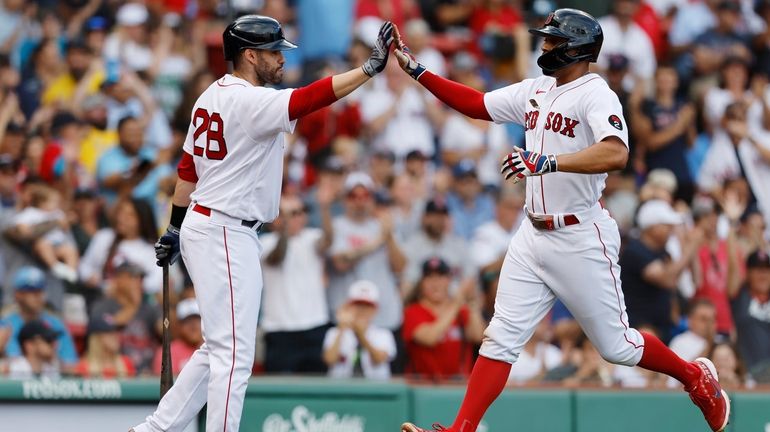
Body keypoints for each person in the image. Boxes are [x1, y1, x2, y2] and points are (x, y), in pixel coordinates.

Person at [393, 9, 730, 432]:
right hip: (533, 233)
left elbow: (617, 153)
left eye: (552, 41)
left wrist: (548, 161)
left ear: (577, 48)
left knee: (618, 347)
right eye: (546, 39)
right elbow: (477, 104)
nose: (544, 45)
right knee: (500, 337)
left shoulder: (596, 93)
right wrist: (418, 70)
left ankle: (695, 377)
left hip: (580, 234)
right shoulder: (538, 89)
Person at [134, 15, 396, 432]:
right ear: (249, 55)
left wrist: (175, 226)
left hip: (211, 224)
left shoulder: (209, 96)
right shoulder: (251, 101)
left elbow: (188, 170)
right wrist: (367, 70)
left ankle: (155, 429)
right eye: (274, 52)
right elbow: (311, 98)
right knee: (233, 356)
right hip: (224, 229)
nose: (281, 59)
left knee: (217, 349)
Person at [260, 193, 332, 374]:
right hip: (280, 329)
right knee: (279, 392)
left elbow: (328, 241)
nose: (296, 217)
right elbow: (277, 258)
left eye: (300, 212)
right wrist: (284, 227)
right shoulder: (265, 242)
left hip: (315, 326)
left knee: (316, 389)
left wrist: (324, 209)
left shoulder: (312, 236)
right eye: (290, 213)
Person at [402, 257, 485, 380]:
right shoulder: (412, 311)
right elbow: (429, 338)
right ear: (421, 283)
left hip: (458, 386)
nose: (435, 283)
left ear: (449, 280)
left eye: (441, 277)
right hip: (424, 388)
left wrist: (473, 305)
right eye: (429, 277)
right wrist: (457, 302)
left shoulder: (461, 310)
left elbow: (478, 337)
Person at [0, 266, 78, 371]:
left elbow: (70, 363)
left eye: (41, 290)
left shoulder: (56, 324)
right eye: (32, 291)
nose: (38, 296)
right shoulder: (5, 324)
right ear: (18, 294)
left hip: (49, 379)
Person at [322, 280, 396, 380]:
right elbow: (329, 360)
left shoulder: (384, 334)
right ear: (348, 306)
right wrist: (341, 328)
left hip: (375, 391)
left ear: (375, 309)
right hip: (341, 390)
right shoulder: (334, 332)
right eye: (358, 305)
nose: (362, 310)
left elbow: (379, 359)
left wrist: (361, 336)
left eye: (367, 306)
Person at [75, 313, 136, 378]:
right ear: (97, 338)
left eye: (116, 331)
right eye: (110, 333)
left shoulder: (126, 363)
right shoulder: (84, 367)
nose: (116, 336)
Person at [152, 298, 202, 375]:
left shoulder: (213, 349)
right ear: (178, 325)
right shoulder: (167, 352)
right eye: (187, 321)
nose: (193, 325)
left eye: (197, 320)